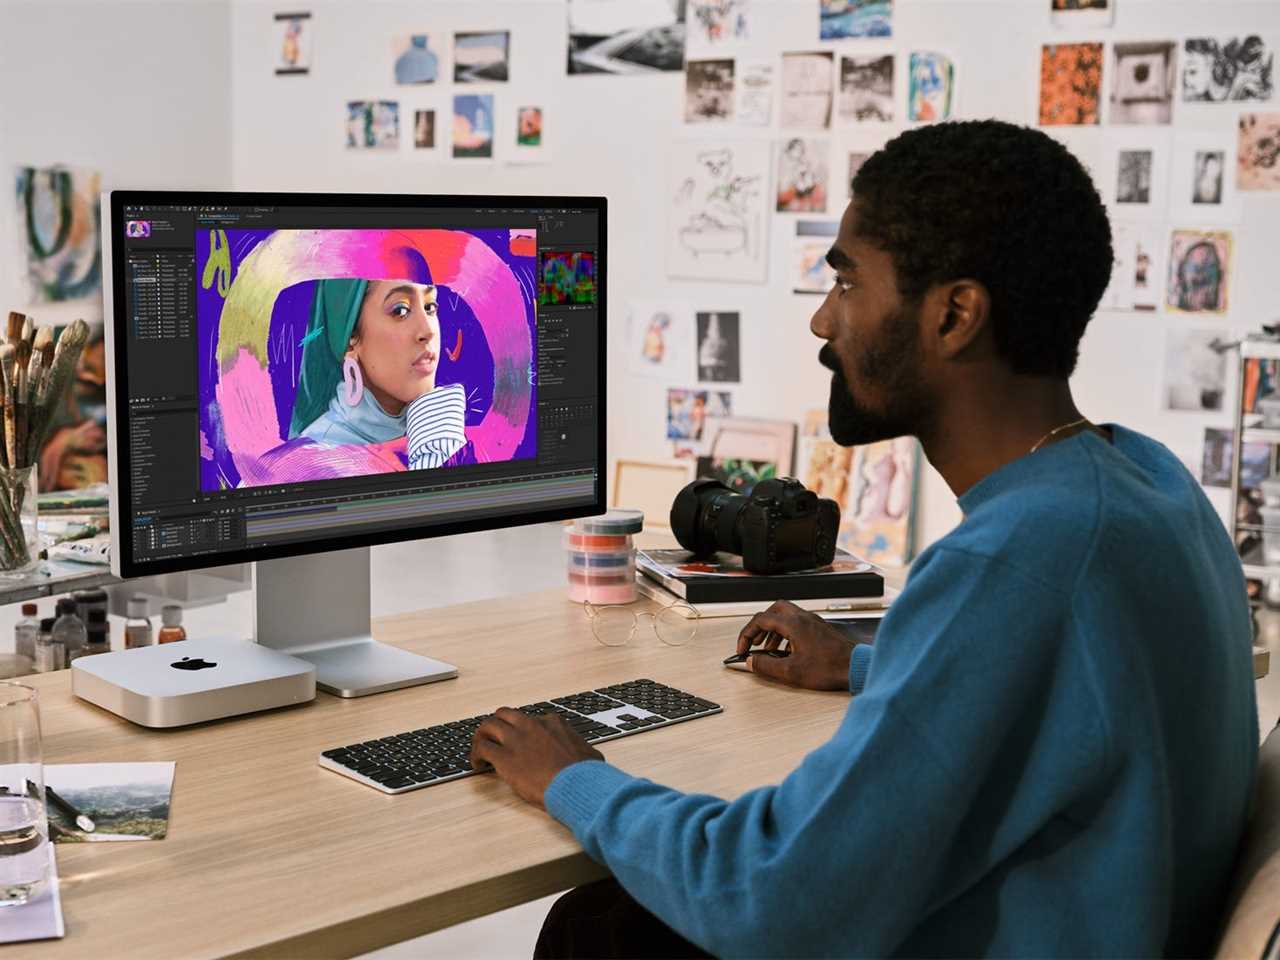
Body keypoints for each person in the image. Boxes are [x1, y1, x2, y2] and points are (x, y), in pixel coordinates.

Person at [469, 119, 1259, 957]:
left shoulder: (1015, 561)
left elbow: (771, 895)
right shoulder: (1149, 481)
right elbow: (1077, 691)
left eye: (846, 284)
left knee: (598, 935)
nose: (820, 321)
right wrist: (863, 663)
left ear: (955, 314)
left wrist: (574, 778)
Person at [290, 278, 467, 472]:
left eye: (430, 307)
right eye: (401, 311)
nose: (428, 331)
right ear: (351, 338)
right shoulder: (317, 461)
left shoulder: (440, 429)